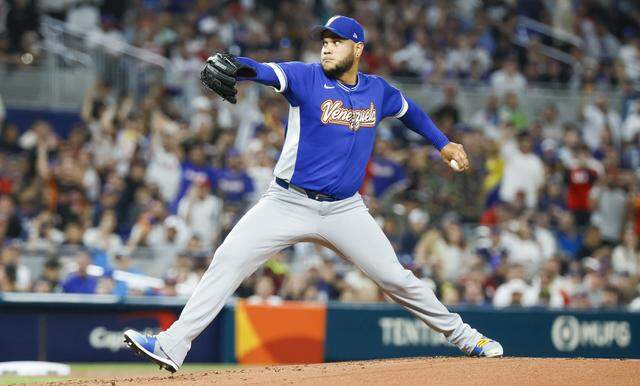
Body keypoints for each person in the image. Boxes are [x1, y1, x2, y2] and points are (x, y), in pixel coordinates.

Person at [124, 15, 503, 373]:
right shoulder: (305, 77)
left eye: (336, 42)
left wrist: (442, 143)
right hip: (287, 202)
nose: (326, 48)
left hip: (345, 210)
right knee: (228, 259)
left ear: (357, 48)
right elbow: (263, 70)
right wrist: (235, 63)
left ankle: (468, 338)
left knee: (397, 279)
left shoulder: (378, 90)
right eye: (324, 41)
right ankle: (173, 345)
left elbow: (410, 110)